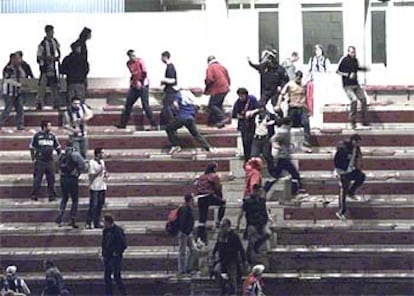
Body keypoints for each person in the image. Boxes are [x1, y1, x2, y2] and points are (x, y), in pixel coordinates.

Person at [114, 49, 157, 130]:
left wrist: (140, 82)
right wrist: (132, 81)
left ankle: (153, 124)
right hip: (134, 86)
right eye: (132, 56)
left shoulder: (140, 61)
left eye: (135, 55)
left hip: (143, 85)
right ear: (129, 56)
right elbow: (133, 73)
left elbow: (144, 72)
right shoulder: (128, 63)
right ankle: (123, 124)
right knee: (128, 104)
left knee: (145, 105)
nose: (134, 57)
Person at [265, 117, 306, 198]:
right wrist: (275, 145)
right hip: (283, 157)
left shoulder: (285, 131)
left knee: (276, 175)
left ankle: (266, 188)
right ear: (290, 123)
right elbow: (272, 139)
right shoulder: (283, 132)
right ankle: (296, 192)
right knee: (295, 174)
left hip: (284, 156)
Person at [165, 88, 214, 154]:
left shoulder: (180, 94)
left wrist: (176, 110)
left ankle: (175, 145)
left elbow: (175, 104)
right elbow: (196, 109)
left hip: (181, 117)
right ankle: (208, 147)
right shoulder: (192, 99)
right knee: (196, 134)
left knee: (169, 128)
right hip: (190, 118)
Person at [336, 46, 370, 129]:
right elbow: (338, 71)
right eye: (351, 52)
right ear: (348, 52)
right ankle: (352, 121)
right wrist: (347, 75)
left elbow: (356, 68)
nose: (353, 54)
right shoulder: (344, 60)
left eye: (354, 52)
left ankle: (364, 120)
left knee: (363, 99)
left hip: (355, 84)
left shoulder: (355, 60)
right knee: (354, 100)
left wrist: (363, 69)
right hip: (347, 85)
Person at [211, 218, 247, 296]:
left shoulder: (234, 236)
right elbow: (217, 244)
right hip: (222, 260)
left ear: (228, 226)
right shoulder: (220, 235)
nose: (222, 228)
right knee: (217, 272)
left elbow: (240, 248)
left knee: (232, 278)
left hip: (231, 260)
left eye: (224, 226)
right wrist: (213, 253)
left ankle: (232, 292)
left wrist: (244, 260)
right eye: (221, 226)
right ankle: (223, 288)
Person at [334, 134, 366, 221]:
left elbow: (357, 157)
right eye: (357, 142)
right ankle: (341, 211)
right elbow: (336, 160)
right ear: (353, 141)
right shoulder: (343, 148)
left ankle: (351, 192)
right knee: (343, 189)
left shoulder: (356, 148)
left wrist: (357, 165)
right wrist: (338, 172)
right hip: (342, 172)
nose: (358, 145)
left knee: (361, 176)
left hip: (350, 170)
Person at [277, 70, 312, 150]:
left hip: (302, 107)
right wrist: (278, 105)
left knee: (306, 122)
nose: (298, 79)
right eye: (297, 77)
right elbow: (281, 94)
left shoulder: (303, 85)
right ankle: (283, 141)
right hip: (293, 107)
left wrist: (309, 109)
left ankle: (306, 142)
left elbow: (307, 98)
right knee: (288, 123)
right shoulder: (290, 84)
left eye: (300, 78)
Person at [55, 141, 86, 228]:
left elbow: (57, 165)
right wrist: (79, 172)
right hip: (72, 179)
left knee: (64, 198)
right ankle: (72, 219)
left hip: (63, 179)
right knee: (75, 200)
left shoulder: (61, 154)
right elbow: (83, 165)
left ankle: (60, 214)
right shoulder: (75, 154)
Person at [236, 184, 270, 262]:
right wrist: (238, 224)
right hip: (252, 223)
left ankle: (257, 245)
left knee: (268, 233)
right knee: (250, 241)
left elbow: (264, 212)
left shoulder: (262, 201)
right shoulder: (248, 201)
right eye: (257, 191)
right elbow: (241, 213)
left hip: (261, 223)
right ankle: (248, 259)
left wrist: (266, 220)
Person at [29, 120, 62, 201]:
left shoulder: (52, 136)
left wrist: (60, 157)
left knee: (51, 180)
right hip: (40, 161)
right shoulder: (37, 136)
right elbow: (31, 147)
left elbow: (58, 148)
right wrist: (33, 158)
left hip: (50, 161)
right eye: (49, 126)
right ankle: (34, 195)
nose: (50, 128)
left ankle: (52, 196)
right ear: (44, 127)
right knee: (37, 180)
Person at [195, 162, 226, 244]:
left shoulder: (201, 176)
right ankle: (218, 220)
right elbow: (218, 188)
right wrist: (219, 196)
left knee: (202, 220)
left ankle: (201, 238)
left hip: (200, 198)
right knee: (223, 203)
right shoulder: (214, 176)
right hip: (209, 196)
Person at [36, 24, 61, 110]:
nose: (52, 33)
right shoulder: (43, 44)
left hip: (53, 68)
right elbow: (38, 57)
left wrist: (57, 57)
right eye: (51, 32)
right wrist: (47, 58)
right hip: (45, 68)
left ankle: (56, 102)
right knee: (42, 87)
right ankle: (39, 102)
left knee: (54, 86)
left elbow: (58, 51)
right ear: (47, 32)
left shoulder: (55, 41)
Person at [102, 214, 127, 296]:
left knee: (116, 276)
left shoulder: (118, 231)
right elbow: (104, 243)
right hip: (107, 257)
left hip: (115, 258)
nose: (103, 223)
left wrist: (117, 253)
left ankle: (123, 293)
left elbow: (123, 244)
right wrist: (103, 253)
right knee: (107, 278)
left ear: (108, 222)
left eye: (104, 222)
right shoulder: (105, 231)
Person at [232, 88, 260, 161]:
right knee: (245, 142)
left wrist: (252, 112)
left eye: (242, 96)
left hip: (252, 124)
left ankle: (252, 157)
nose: (241, 98)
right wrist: (242, 116)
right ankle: (247, 158)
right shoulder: (238, 102)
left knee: (251, 141)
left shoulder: (252, 99)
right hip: (243, 125)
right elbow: (234, 114)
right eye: (240, 96)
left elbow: (259, 109)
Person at [247, 105, 277, 171]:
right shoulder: (255, 117)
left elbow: (276, 119)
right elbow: (247, 116)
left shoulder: (269, 117)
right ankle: (254, 173)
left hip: (265, 139)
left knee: (267, 156)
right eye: (260, 111)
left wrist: (272, 122)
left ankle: (273, 171)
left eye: (263, 111)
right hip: (256, 138)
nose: (261, 113)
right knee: (253, 156)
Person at [204, 55, 231, 128]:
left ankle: (222, 118)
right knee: (218, 105)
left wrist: (206, 88)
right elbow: (228, 79)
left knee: (211, 105)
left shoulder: (210, 67)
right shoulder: (222, 67)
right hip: (225, 88)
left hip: (217, 89)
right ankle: (215, 122)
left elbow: (209, 79)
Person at [0, 53, 24, 131]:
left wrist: (20, 68)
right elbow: (8, 80)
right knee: (8, 109)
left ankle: (20, 124)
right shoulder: (7, 68)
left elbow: (23, 75)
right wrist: (19, 85)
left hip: (17, 92)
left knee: (20, 108)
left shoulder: (18, 69)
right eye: (17, 59)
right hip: (9, 92)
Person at [86, 148, 108, 229]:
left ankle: (97, 222)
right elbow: (91, 176)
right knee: (93, 206)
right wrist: (99, 171)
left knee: (100, 205)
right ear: (98, 154)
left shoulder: (102, 162)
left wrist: (105, 174)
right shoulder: (91, 163)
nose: (103, 155)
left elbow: (104, 171)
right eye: (102, 153)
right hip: (94, 187)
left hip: (102, 186)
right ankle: (88, 222)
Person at [177, 194, 196, 276]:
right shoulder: (184, 209)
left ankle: (188, 268)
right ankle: (182, 270)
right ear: (190, 200)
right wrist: (185, 231)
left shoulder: (189, 209)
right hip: (184, 233)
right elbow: (182, 222)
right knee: (182, 252)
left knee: (193, 250)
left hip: (188, 233)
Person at [160, 51, 177, 127]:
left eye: (162, 57)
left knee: (167, 107)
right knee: (166, 107)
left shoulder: (170, 67)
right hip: (169, 90)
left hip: (170, 91)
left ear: (165, 57)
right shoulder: (169, 66)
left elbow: (173, 80)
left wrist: (163, 80)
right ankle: (167, 123)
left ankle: (172, 122)